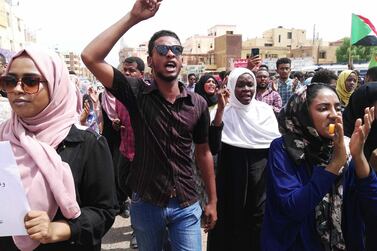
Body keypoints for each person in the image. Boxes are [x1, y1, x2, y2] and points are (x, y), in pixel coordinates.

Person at [81, 1, 217, 250]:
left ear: (181, 59)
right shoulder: (135, 93)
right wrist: (133, 17)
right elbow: (90, 56)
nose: (170, 53)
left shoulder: (197, 104)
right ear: (151, 60)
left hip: (186, 203)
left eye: (176, 49)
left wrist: (212, 201)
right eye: (162, 49)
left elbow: (204, 152)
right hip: (146, 204)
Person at [0, 47, 117, 250]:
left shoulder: (87, 144)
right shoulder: (2, 137)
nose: (18, 89)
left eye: (30, 81)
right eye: (10, 81)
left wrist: (57, 230)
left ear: (55, 85)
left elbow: (104, 212)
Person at [261, 83, 377, 250]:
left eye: (338, 108)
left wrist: (358, 156)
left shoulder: (344, 147)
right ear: (304, 113)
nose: (334, 115)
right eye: (323, 108)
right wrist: (334, 165)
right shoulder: (284, 148)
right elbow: (293, 207)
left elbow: (372, 206)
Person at [207, 68, 280, 251]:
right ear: (231, 86)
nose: (246, 89)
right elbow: (213, 147)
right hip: (230, 181)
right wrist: (221, 111)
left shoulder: (265, 112)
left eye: (250, 84)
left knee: (256, 226)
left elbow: (275, 148)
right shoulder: (222, 111)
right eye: (240, 85)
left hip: (260, 183)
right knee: (228, 228)